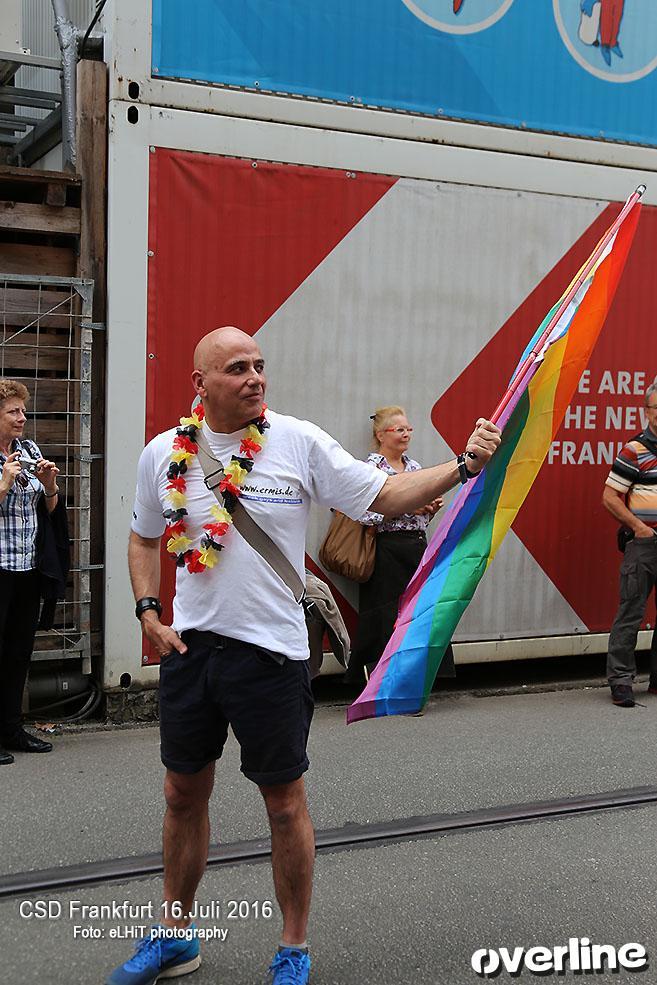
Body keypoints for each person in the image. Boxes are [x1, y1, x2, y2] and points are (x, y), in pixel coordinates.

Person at [108, 327, 501, 985]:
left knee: (284, 802)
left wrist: (463, 466)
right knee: (181, 793)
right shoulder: (164, 453)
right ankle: (176, 935)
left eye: (260, 365)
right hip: (192, 652)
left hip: (272, 653)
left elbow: (383, 495)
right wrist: (148, 610)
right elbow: (144, 537)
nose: (256, 377)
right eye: (238, 368)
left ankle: (292, 946)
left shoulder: (296, 440)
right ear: (199, 383)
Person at [344, 406, 454, 686]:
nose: (406, 435)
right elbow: (361, 513)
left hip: (416, 546)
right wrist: (403, 508)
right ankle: (380, 679)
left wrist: (428, 509)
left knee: (421, 610)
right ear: (381, 435)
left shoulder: (414, 467)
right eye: (399, 430)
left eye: (409, 429)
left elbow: (420, 518)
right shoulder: (370, 469)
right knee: (385, 614)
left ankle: (420, 676)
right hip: (386, 550)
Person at [0, 380, 62, 765]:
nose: (23, 418)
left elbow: (51, 511)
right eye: (13, 411)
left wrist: (50, 486)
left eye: (23, 411)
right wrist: (5, 481)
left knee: (18, 654)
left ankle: (11, 729)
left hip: (26, 567)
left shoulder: (29, 450)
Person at [603, 380, 657, 708]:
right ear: (647, 412)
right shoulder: (634, 450)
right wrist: (638, 527)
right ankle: (621, 680)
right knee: (631, 611)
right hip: (646, 543)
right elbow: (609, 496)